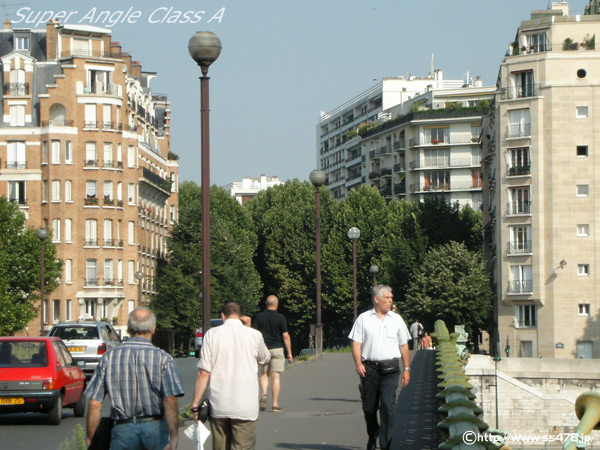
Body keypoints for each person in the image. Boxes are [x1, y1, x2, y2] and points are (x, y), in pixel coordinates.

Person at [85, 307, 184, 450]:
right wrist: (174, 437)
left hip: (123, 429)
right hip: (155, 429)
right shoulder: (164, 359)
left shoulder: (109, 357)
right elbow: (169, 399)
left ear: (128, 329)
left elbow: (94, 403)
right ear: (153, 329)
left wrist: (90, 438)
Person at [192, 302, 270, 450]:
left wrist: (195, 405)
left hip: (219, 404)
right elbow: (265, 358)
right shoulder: (254, 335)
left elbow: (203, 372)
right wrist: (249, 327)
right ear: (242, 317)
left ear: (223, 316)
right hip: (245, 405)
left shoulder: (211, 335)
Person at [349, 285, 411, 450]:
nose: (390, 301)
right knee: (369, 408)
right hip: (369, 369)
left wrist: (406, 369)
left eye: (391, 298)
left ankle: (386, 445)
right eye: (387, 298)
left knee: (387, 408)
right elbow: (356, 342)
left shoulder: (396, 319)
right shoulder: (364, 318)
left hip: (390, 369)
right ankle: (373, 433)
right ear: (377, 299)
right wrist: (358, 364)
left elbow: (404, 345)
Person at [252, 295, 293, 412]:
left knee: (264, 374)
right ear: (277, 304)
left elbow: (254, 334)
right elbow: (285, 335)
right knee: (276, 376)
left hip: (263, 349)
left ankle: (264, 395)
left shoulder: (259, 317)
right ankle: (275, 404)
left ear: (266, 304)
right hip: (277, 349)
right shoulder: (281, 318)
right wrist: (289, 352)